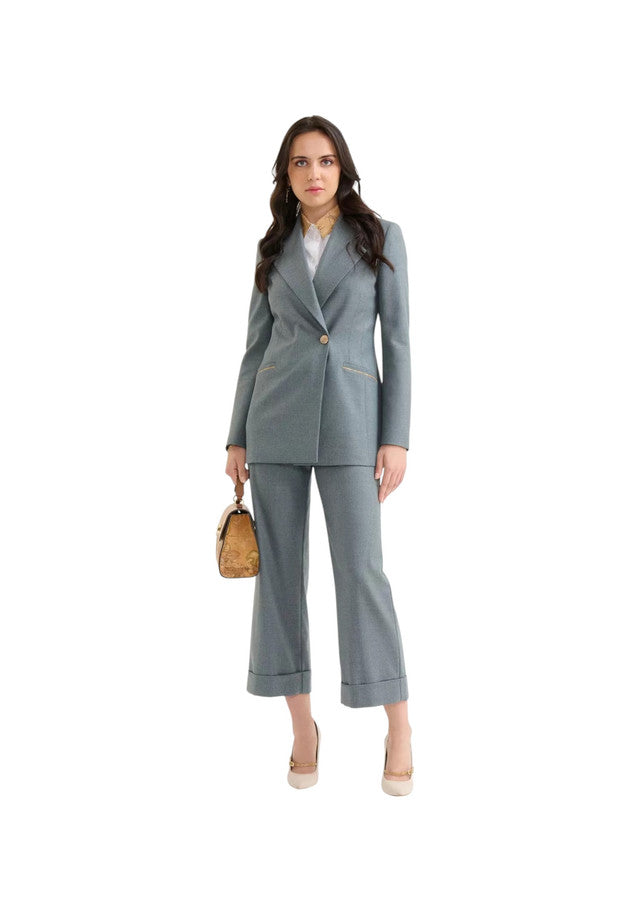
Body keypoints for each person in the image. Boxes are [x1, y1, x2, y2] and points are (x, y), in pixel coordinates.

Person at [224, 115, 413, 796]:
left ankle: (399, 725)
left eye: (325, 161)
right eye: (301, 162)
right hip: (275, 422)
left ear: (343, 168)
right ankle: (303, 728)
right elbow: (256, 347)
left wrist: (395, 436)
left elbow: (399, 342)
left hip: (354, 421)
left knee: (362, 572)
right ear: (287, 173)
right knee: (279, 577)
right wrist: (237, 435)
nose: (314, 173)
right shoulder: (272, 246)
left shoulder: (380, 236)